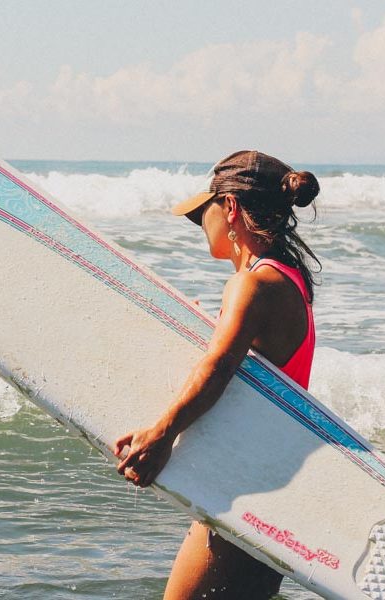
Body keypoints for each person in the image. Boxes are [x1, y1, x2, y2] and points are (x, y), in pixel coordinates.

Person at [113, 150, 321, 599]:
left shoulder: (252, 285)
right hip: (274, 487)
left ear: (229, 208)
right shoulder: (290, 281)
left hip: (242, 489)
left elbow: (218, 367)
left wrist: (162, 434)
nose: (200, 226)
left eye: (201, 213)